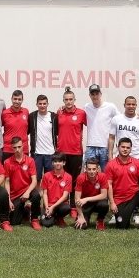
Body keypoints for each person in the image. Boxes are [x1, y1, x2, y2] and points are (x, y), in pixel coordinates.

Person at [108, 95, 139, 224]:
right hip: (119, 157)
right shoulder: (117, 119)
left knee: (135, 186)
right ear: (124, 105)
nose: (131, 106)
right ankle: (115, 212)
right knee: (116, 184)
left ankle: (135, 213)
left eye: (133, 104)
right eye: (128, 104)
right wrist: (110, 155)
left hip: (135, 156)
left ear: (136, 105)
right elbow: (111, 138)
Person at [105, 137, 139, 232]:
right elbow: (109, 185)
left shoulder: (137, 163)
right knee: (122, 226)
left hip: (135, 195)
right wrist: (112, 203)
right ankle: (125, 217)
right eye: (123, 147)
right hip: (120, 200)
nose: (125, 149)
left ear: (131, 149)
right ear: (118, 147)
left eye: (128, 147)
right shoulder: (111, 165)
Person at [56, 88, 86, 216]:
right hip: (61, 152)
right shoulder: (59, 113)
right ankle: (63, 204)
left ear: (74, 100)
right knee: (62, 179)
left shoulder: (81, 113)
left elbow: (95, 122)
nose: (68, 102)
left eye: (71, 99)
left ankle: (73, 207)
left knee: (74, 180)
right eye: (66, 99)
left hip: (76, 152)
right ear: (63, 100)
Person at [4, 137, 41, 230]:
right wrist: (8, 200)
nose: (17, 150)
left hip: (27, 191)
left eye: (19, 147)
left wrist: (27, 192)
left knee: (36, 195)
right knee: (14, 222)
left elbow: (34, 180)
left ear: (23, 146)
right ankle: (26, 210)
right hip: (15, 195)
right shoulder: (7, 162)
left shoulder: (30, 161)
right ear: (12, 148)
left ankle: (35, 220)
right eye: (15, 147)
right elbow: (7, 182)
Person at [84, 84, 119, 172]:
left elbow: (120, 119)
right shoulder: (86, 107)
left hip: (105, 146)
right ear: (89, 95)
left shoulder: (110, 107)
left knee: (106, 173)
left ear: (101, 94)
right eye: (93, 94)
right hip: (90, 146)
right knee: (88, 173)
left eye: (97, 94)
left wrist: (135, 115)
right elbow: (76, 113)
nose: (95, 96)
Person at [28, 94, 57, 184]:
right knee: (36, 179)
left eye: (44, 103)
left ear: (48, 104)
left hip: (51, 153)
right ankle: (38, 193)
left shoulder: (54, 117)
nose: (42, 106)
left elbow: (58, 132)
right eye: (40, 104)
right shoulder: (32, 116)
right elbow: (27, 131)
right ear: (36, 104)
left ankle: (49, 193)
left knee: (51, 179)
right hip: (37, 154)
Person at [74, 158, 109, 231]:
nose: (91, 171)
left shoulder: (102, 176)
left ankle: (100, 220)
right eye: (89, 169)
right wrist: (80, 216)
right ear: (85, 169)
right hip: (85, 204)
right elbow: (77, 199)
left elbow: (104, 195)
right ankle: (86, 217)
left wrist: (86, 199)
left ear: (97, 169)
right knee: (82, 226)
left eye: (94, 169)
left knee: (104, 205)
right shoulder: (80, 178)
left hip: (97, 202)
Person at [40, 153, 72, 228]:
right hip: (48, 205)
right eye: (55, 161)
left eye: (60, 161)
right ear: (52, 163)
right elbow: (45, 194)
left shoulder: (68, 177)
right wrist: (47, 207)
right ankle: (53, 216)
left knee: (66, 208)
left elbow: (65, 196)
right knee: (46, 224)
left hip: (60, 205)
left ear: (64, 163)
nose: (57, 163)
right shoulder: (46, 175)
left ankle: (59, 218)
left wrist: (53, 207)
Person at [1, 90, 30, 160]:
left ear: (22, 100)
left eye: (19, 99)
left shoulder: (26, 112)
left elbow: (28, 129)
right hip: (8, 149)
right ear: (11, 99)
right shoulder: (5, 113)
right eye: (15, 99)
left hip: (23, 149)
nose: (17, 101)